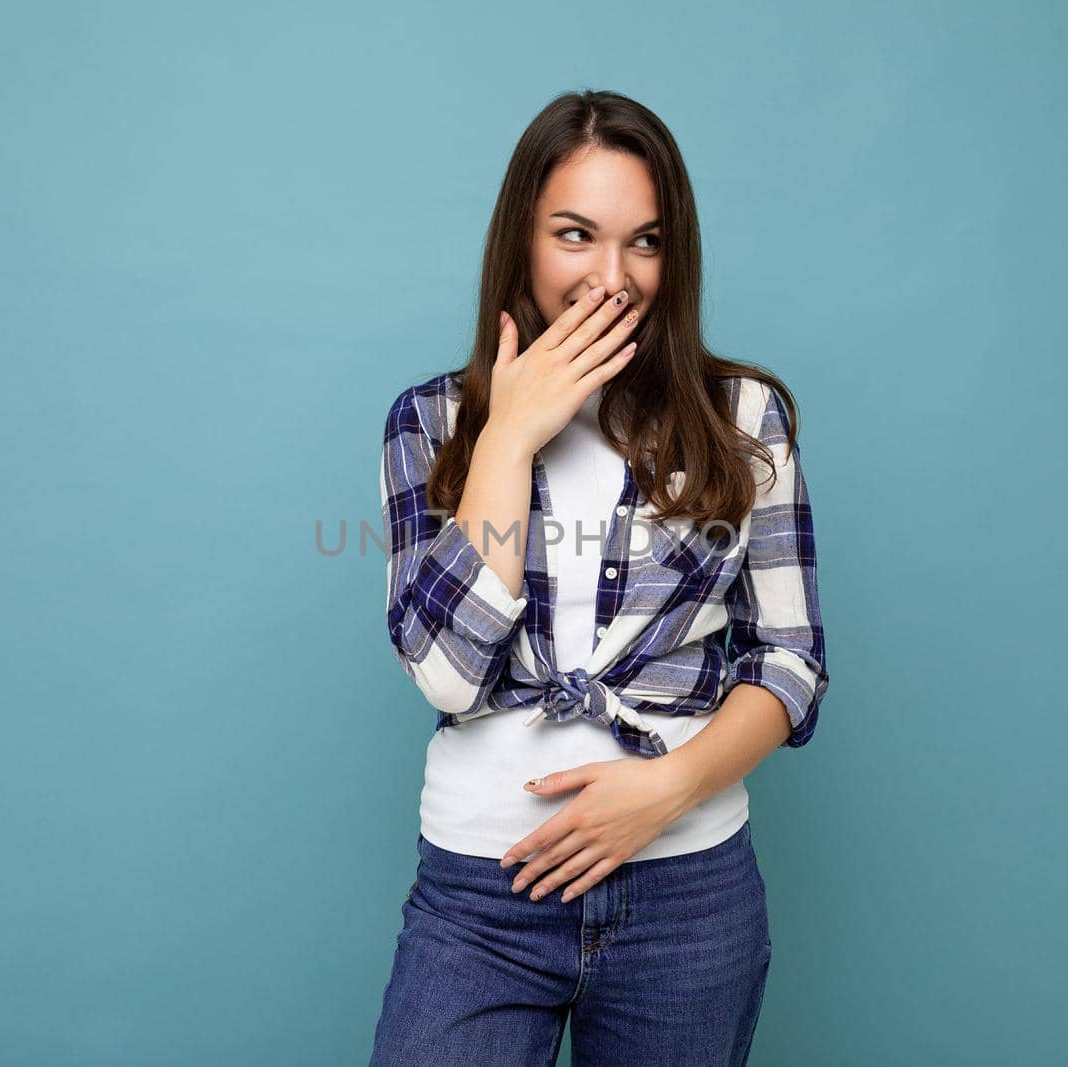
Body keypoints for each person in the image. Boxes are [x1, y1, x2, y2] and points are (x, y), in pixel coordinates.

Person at [370, 89, 829, 1066]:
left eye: (645, 242)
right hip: (481, 897)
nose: (611, 278)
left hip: (687, 898)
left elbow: (789, 661)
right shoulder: (430, 423)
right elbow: (449, 676)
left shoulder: (743, 417)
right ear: (522, 240)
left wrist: (665, 789)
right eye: (575, 234)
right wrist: (510, 435)